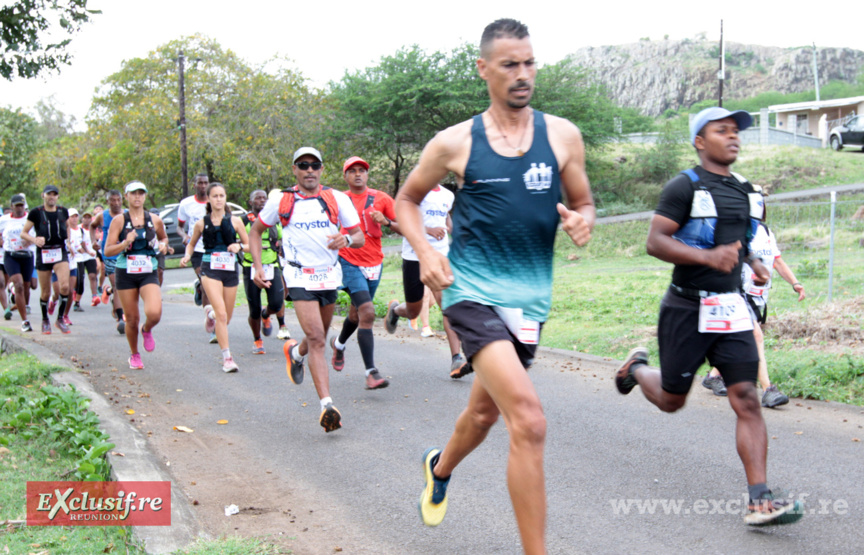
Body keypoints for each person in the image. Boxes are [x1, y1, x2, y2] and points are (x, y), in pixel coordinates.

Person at [396, 20, 594, 554]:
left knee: (484, 413)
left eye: (529, 62)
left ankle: (438, 468)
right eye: (510, 64)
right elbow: (406, 200)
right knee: (527, 420)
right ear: (484, 69)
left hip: (529, 299)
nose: (523, 74)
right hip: (470, 291)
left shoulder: (562, 136)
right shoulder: (455, 142)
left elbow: (583, 201)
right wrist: (427, 251)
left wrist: (582, 220)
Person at [614, 106, 803, 527]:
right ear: (700, 141)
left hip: (731, 308)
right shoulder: (683, 186)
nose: (733, 137)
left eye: (736, 131)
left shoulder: (746, 190)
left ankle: (760, 499)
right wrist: (707, 257)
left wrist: (751, 261)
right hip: (686, 307)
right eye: (722, 131)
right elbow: (655, 242)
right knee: (670, 401)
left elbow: (737, 239)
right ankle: (637, 368)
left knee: (747, 399)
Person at [250, 147, 364, 433]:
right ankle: (327, 405)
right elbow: (255, 231)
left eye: (315, 165)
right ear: (295, 170)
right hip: (298, 276)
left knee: (318, 338)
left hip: (328, 277)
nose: (309, 170)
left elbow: (359, 236)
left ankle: (295, 354)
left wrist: (346, 241)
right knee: (316, 337)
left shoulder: (336, 198)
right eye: (303, 165)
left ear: (322, 170)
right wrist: (257, 267)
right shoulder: (282, 200)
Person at [701, 205, 805, 408]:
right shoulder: (735, 232)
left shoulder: (766, 232)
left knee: (739, 339)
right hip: (737, 293)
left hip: (759, 297)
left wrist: (795, 283)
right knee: (755, 337)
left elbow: (777, 262)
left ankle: (713, 376)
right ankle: (768, 390)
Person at [384, 184, 471, 379]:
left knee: (447, 304)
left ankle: (456, 358)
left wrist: (451, 228)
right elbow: (403, 222)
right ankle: (396, 310)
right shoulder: (415, 190)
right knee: (413, 310)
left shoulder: (448, 195)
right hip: (414, 256)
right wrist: (428, 230)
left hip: (440, 255)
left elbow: (445, 215)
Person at [329, 156, 396, 390]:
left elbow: (403, 226)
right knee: (367, 312)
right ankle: (371, 372)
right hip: (348, 261)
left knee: (357, 315)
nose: (358, 174)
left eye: (362, 170)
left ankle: (338, 344)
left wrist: (386, 221)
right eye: (352, 171)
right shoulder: (338, 199)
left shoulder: (381, 198)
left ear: (367, 175)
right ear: (345, 176)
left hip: (374, 263)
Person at [181, 182, 249, 373]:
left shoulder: (235, 221)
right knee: (222, 314)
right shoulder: (201, 223)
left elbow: (250, 245)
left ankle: (209, 314)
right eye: (215, 196)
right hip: (210, 268)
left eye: (222, 195)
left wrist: (239, 247)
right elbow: (191, 244)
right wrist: (187, 255)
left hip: (230, 269)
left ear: (225, 198)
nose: (219, 199)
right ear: (209, 199)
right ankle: (227, 358)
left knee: (225, 317)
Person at [104, 182, 170, 369]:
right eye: (133, 193)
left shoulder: (154, 219)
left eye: (141, 193)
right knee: (131, 319)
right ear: (127, 196)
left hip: (148, 270)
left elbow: (163, 237)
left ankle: (147, 329)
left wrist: (163, 244)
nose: (137, 197)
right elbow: (108, 251)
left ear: (145, 196)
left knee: (155, 313)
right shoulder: (119, 220)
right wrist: (125, 243)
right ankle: (134, 354)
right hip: (126, 271)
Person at [240, 189, 289, 355]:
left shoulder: (274, 219)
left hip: (272, 265)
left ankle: (266, 314)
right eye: (258, 198)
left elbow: (282, 237)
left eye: (264, 198)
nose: (262, 201)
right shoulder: (245, 220)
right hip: (251, 266)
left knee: (276, 302)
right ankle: (257, 339)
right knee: (253, 308)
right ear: (251, 202)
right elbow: (237, 239)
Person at [19, 185, 72, 334]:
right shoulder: (36, 213)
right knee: (46, 293)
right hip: (43, 253)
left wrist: (68, 241)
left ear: (57, 197)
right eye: (49, 194)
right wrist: (34, 239)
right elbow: (24, 233)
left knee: (65, 287)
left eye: (55, 194)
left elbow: (67, 227)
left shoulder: (63, 211)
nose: (52, 197)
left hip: (59, 251)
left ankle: (60, 318)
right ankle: (45, 320)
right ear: (43, 195)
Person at [178, 173, 217, 343]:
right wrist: (185, 237)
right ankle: (213, 327)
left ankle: (200, 288)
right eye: (200, 183)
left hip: (214, 249)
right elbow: (180, 227)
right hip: (196, 249)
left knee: (213, 285)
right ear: (194, 185)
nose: (203, 185)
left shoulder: (215, 200)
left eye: (205, 182)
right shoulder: (186, 204)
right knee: (207, 284)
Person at [90, 191, 126, 333]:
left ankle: (109, 292)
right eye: (113, 200)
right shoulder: (102, 216)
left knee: (126, 286)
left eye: (118, 200)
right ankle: (121, 318)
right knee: (117, 284)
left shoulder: (128, 214)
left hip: (126, 253)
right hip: (110, 255)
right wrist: (93, 241)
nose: (116, 203)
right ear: (108, 202)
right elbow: (92, 226)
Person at [0, 194, 36, 330]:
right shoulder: (4, 220)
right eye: (17, 206)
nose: (19, 208)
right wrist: (1, 241)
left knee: (27, 287)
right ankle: (25, 322)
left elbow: (39, 234)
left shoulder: (30, 218)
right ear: (12, 207)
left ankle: (18, 301)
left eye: (21, 205)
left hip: (27, 255)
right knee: (19, 285)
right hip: (11, 255)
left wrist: (30, 240)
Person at [72, 210, 99, 311]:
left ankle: (94, 296)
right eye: (85, 217)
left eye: (89, 218)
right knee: (80, 278)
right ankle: (76, 292)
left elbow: (97, 239)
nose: (87, 220)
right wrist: (86, 251)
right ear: (82, 219)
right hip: (81, 256)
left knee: (92, 275)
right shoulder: (78, 229)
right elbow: (81, 243)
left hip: (90, 256)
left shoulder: (93, 229)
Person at [149, 208, 174, 286]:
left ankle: (158, 289)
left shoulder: (160, 224)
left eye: (157, 215)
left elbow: (163, 237)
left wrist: (168, 247)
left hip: (159, 249)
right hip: (150, 251)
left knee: (160, 271)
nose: (156, 217)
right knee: (151, 272)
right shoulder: (146, 224)